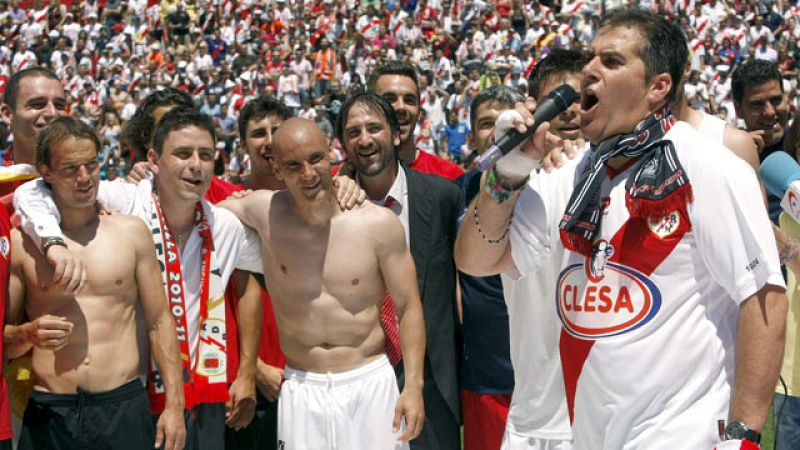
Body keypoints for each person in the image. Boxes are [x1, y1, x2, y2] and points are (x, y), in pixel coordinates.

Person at [456, 9, 787, 449]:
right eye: (590, 58)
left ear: (657, 87)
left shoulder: (710, 167)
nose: (589, 70)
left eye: (611, 61)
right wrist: (508, 172)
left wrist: (742, 436)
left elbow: (764, 299)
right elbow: (476, 260)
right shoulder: (570, 174)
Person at [14, 108, 265, 450]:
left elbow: (247, 284)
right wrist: (52, 243)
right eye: (183, 153)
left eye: (205, 155)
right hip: (100, 400)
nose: (196, 165)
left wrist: (247, 372)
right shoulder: (124, 201)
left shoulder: (224, 223)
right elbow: (31, 192)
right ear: (153, 160)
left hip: (187, 394)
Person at [219, 117, 426, 449]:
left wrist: (413, 386)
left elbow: (409, 307)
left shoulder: (377, 224)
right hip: (302, 385)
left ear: (331, 153)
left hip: (368, 381)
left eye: (315, 159)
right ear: (276, 168)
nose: (308, 173)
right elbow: (198, 213)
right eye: (293, 165)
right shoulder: (263, 211)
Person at [5, 116, 186, 450]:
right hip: (50, 412)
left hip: (122, 406)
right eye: (70, 168)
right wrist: (26, 334)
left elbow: (160, 321)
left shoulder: (131, 233)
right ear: (45, 172)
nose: (85, 177)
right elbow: (4, 341)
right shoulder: (21, 245)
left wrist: (175, 406)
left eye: (91, 164)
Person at [336, 92, 462, 450]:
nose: (365, 140)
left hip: (432, 381)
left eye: (374, 128)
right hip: (359, 379)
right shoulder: (331, 207)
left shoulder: (443, 197)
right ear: (343, 144)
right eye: (354, 132)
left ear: (395, 134)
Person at [225, 96, 290, 450]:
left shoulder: (316, 203)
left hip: (310, 376)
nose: (268, 140)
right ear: (242, 144)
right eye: (258, 133)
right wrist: (253, 368)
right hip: (251, 386)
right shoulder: (224, 202)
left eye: (277, 130)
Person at [368, 61, 464, 181]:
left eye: (409, 100)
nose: (401, 107)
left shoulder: (451, 175)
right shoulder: (349, 181)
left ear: (419, 110)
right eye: (390, 99)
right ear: (369, 108)